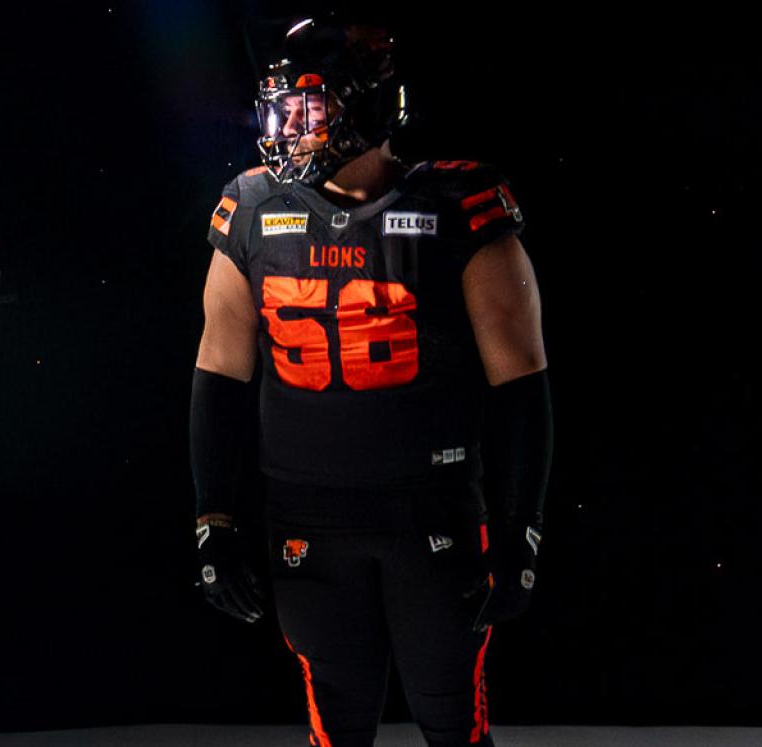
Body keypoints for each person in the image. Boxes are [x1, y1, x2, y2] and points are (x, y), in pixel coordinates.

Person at [189, 18, 553, 747]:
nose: (287, 128)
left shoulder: (456, 208)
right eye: (281, 109)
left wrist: (523, 528)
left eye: (308, 106)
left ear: (365, 104)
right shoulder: (252, 208)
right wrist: (213, 519)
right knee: (336, 721)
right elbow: (219, 375)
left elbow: (521, 388)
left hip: (431, 512)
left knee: (452, 717)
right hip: (305, 515)